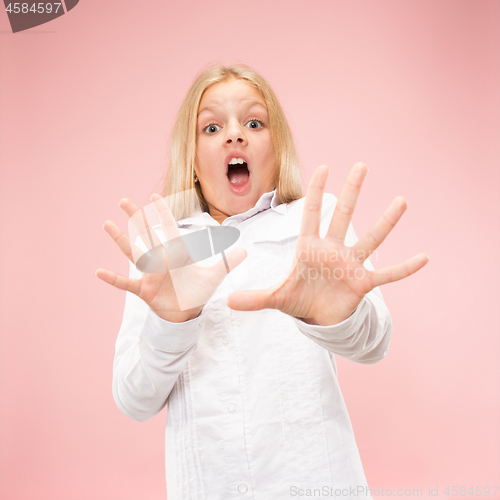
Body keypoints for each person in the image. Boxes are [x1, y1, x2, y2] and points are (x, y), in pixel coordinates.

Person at [96, 64, 428, 499]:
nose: (235, 135)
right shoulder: (166, 246)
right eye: (212, 126)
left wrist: (334, 316)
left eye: (254, 122)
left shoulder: (317, 226)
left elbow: (373, 344)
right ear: (193, 159)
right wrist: (172, 323)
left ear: (278, 149)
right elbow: (134, 400)